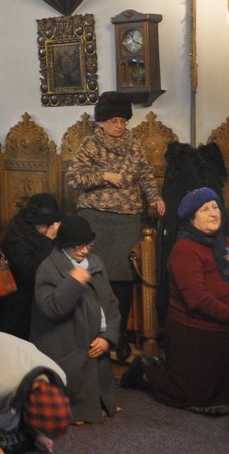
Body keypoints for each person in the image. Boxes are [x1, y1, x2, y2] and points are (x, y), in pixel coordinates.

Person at [122, 187, 229, 415]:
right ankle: (146, 371)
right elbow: (197, 299)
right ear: (191, 218)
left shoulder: (225, 243)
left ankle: (164, 365)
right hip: (195, 330)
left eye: (215, 207)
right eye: (205, 210)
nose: (213, 213)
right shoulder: (185, 249)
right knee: (192, 397)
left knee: (225, 397)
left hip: (228, 330)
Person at [66, 91, 165, 358]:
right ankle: (95, 334)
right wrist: (105, 176)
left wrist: (155, 198)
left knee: (123, 280)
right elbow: (73, 178)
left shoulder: (134, 143)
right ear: (102, 121)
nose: (120, 125)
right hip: (96, 218)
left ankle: (117, 335)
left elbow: (146, 175)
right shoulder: (90, 144)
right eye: (114, 121)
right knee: (96, 278)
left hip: (127, 219)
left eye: (123, 120)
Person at [30, 215, 119, 424]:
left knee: (97, 373)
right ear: (64, 245)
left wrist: (108, 336)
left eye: (88, 245)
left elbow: (111, 303)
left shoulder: (96, 263)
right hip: (64, 346)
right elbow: (52, 309)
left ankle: (97, 403)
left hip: (97, 340)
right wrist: (74, 281)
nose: (84, 251)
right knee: (72, 377)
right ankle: (72, 409)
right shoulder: (48, 268)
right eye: (78, 247)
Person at [0, 193, 63, 339]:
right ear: (33, 222)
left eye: (53, 223)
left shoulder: (45, 232)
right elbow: (30, 272)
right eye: (47, 224)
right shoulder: (16, 237)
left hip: (42, 299)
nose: (52, 227)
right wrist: (48, 239)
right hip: (18, 306)